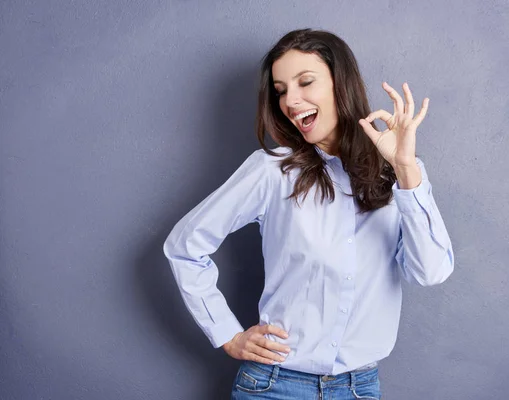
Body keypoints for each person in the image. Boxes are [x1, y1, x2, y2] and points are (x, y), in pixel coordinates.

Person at [163, 28, 454, 399]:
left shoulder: (400, 174)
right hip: (274, 386)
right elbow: (184, 247)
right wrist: (228, 335)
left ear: (341, 85)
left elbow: (430, 272)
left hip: (359, 389)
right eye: (282, 90)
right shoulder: (272, 171)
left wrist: (405, 168)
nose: (291, 101)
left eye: (305, 82)